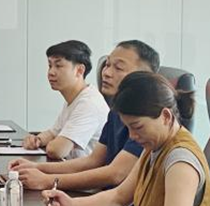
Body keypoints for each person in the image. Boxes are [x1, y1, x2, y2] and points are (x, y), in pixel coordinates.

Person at [43, 71, 210, 206]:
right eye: (128, 128)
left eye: (137, 127)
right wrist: (72, 205)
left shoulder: (180, 159)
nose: (132, 136)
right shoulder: (154, 147)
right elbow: (120, 197)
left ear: (166, 116)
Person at [10, 40, 159, 191]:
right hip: (106, 196)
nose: (106, 73)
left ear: (145, 77)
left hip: (114, 200)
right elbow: (93, 161)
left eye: (118, 68)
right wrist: (37, 167)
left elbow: (116, 174)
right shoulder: (115, 112)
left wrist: (48, 181)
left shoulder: (148, 120)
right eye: (107, 65)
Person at [22, 40, 109, 160]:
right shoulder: (74, 98)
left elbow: (57, 150)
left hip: (86, 171)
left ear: (79, 70)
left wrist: (52, 143)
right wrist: (37, 140)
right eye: (50, 66)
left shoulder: (89, 103)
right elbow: (53, 133)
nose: (51, 72)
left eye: (58, 66)